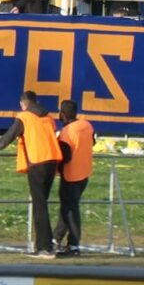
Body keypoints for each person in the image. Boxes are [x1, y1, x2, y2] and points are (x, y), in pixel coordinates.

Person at [0, 91, 62, 258]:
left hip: (37, 162)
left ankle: (45, 248)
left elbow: (8, 137)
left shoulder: (24, 117)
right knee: (42, 204)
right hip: (52, 161)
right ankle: (45, 245)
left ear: (23, 104)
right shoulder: (48, 117)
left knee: (39, 207)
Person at [56, 99, 94, 256]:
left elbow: (65, 156)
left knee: (71, 210)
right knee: (67, 208)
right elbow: (92, 141)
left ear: (62, 114)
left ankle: (73, 246)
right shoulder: (87, 125)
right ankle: (55, 238)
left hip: (71, 175)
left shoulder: (66, 133)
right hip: (85, 173)